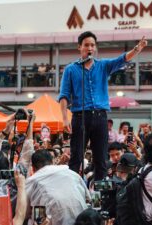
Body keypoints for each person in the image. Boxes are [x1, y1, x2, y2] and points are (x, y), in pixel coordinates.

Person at [59, 31, 147, 180]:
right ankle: (72, 191)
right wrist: (65, 119)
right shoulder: (70, 69)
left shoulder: (103, 66)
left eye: (93, 45)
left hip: (100, 117)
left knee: (101, 158)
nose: (90, 48)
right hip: (80, 117)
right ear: (79, 47)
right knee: (76, 157)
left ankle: (101, 196)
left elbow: (122, 59)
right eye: (86, 45)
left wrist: (137, 48)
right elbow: (64, 96)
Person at [26, 150, 91, 225]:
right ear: (52, 161)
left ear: (33, 168)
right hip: (83, 221)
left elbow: (24, 213)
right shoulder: (73, 174)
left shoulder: (31, 182)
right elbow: (88, 199)